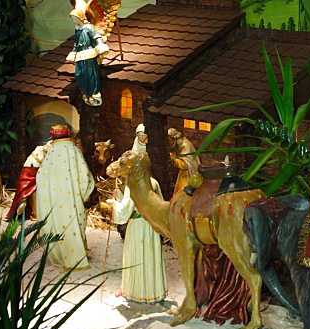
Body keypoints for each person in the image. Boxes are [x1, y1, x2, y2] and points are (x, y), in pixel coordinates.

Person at [108, 150, 167, 303]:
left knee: (136, 256)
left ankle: (135, 292)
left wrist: (114, 202)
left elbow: (124, 212)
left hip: (137, 226)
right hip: (151, 225)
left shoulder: (133, 186)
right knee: (151, 256)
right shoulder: (153, 182)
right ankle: (154, 291)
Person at [34, 125, 95, 269]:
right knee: (73, 224)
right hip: (71, 199)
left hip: (52, 199)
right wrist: (85, 193)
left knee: (55, 223)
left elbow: (40, 177)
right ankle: (75, 256)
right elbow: (84, 175)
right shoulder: (74, 151)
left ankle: (57, 257)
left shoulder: (50, 152)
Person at [65, 8, 109, 106]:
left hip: (89, 54)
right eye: (72, 19)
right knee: (79, 75)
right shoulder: (77, 29)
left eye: (75, 18)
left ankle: (94, 93)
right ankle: (86, 92)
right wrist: (73, 52)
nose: (74, 21)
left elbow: (97, 37)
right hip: (80, 55)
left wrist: (100, 45)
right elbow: (76, 43)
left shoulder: (89, 27)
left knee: (90, 74)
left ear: (80, 17)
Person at [6, 143, 46, 221]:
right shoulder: (45, 148)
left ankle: (24, 202)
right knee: (30, 190)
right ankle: (25, 203)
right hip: (34, 168)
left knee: (29, 189)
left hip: (35, 168)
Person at [168, 127, 201, 196]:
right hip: (183, 174)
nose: (168, 142)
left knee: (182, 194)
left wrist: (173, 159)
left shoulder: (185, 146)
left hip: (188, 174)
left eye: (169, 140)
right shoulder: (179, 144)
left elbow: (184, 165)